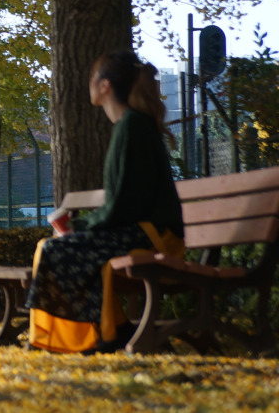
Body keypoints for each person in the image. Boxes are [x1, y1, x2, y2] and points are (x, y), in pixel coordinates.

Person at [26, 49, 185, 354]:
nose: (88, 84)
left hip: (155, 237)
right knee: (56, 247)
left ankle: (103, 334)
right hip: (143, 231)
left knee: (54, 247)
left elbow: (125, 204)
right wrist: (80, 227)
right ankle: (110, 330)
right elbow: (124, 203)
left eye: (92, 78)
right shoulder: (130, 125)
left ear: (105, 86)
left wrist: (78, 226)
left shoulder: (132, 126)